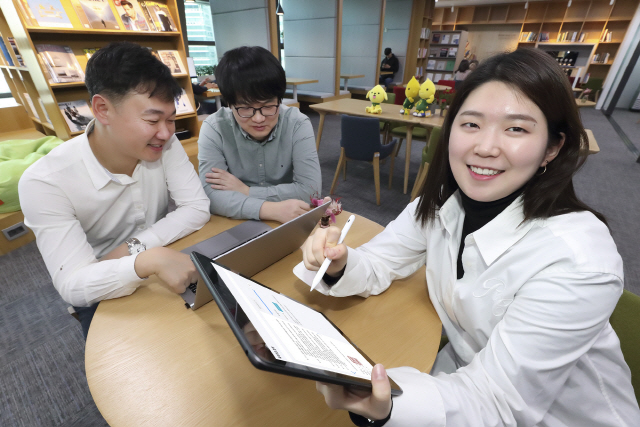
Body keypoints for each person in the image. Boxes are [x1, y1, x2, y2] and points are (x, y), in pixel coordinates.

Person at [301, 48, 640, 425]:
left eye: (516, 128)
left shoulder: (577, 260)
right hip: (465, 380)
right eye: (471, 124)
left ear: (553, 147)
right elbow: (382, 260)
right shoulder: (441, 204)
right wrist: (339, 263)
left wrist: (391, 404)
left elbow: (499, 400)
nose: (485, 147)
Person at [18, 42, 210, 339]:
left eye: (171, 119)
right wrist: (146, 260)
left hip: (164, 259)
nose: (166, 132)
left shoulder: (164, 141)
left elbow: (196, 208)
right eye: (152, 119)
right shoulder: (44, 182)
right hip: (101, 282)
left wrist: (134, 249)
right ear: (102, 109)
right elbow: (73, 284)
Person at [197, 46, 321, 223]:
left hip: (289, 220)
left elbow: (310, 191)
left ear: (279, 99)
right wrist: (270, 209)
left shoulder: (297, 124)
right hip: (238, 221)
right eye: (245, 108)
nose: (259, 118)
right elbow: (210, 195)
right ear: (229, 104)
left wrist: (246, 191)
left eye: (268, 106)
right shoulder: (214, 128)